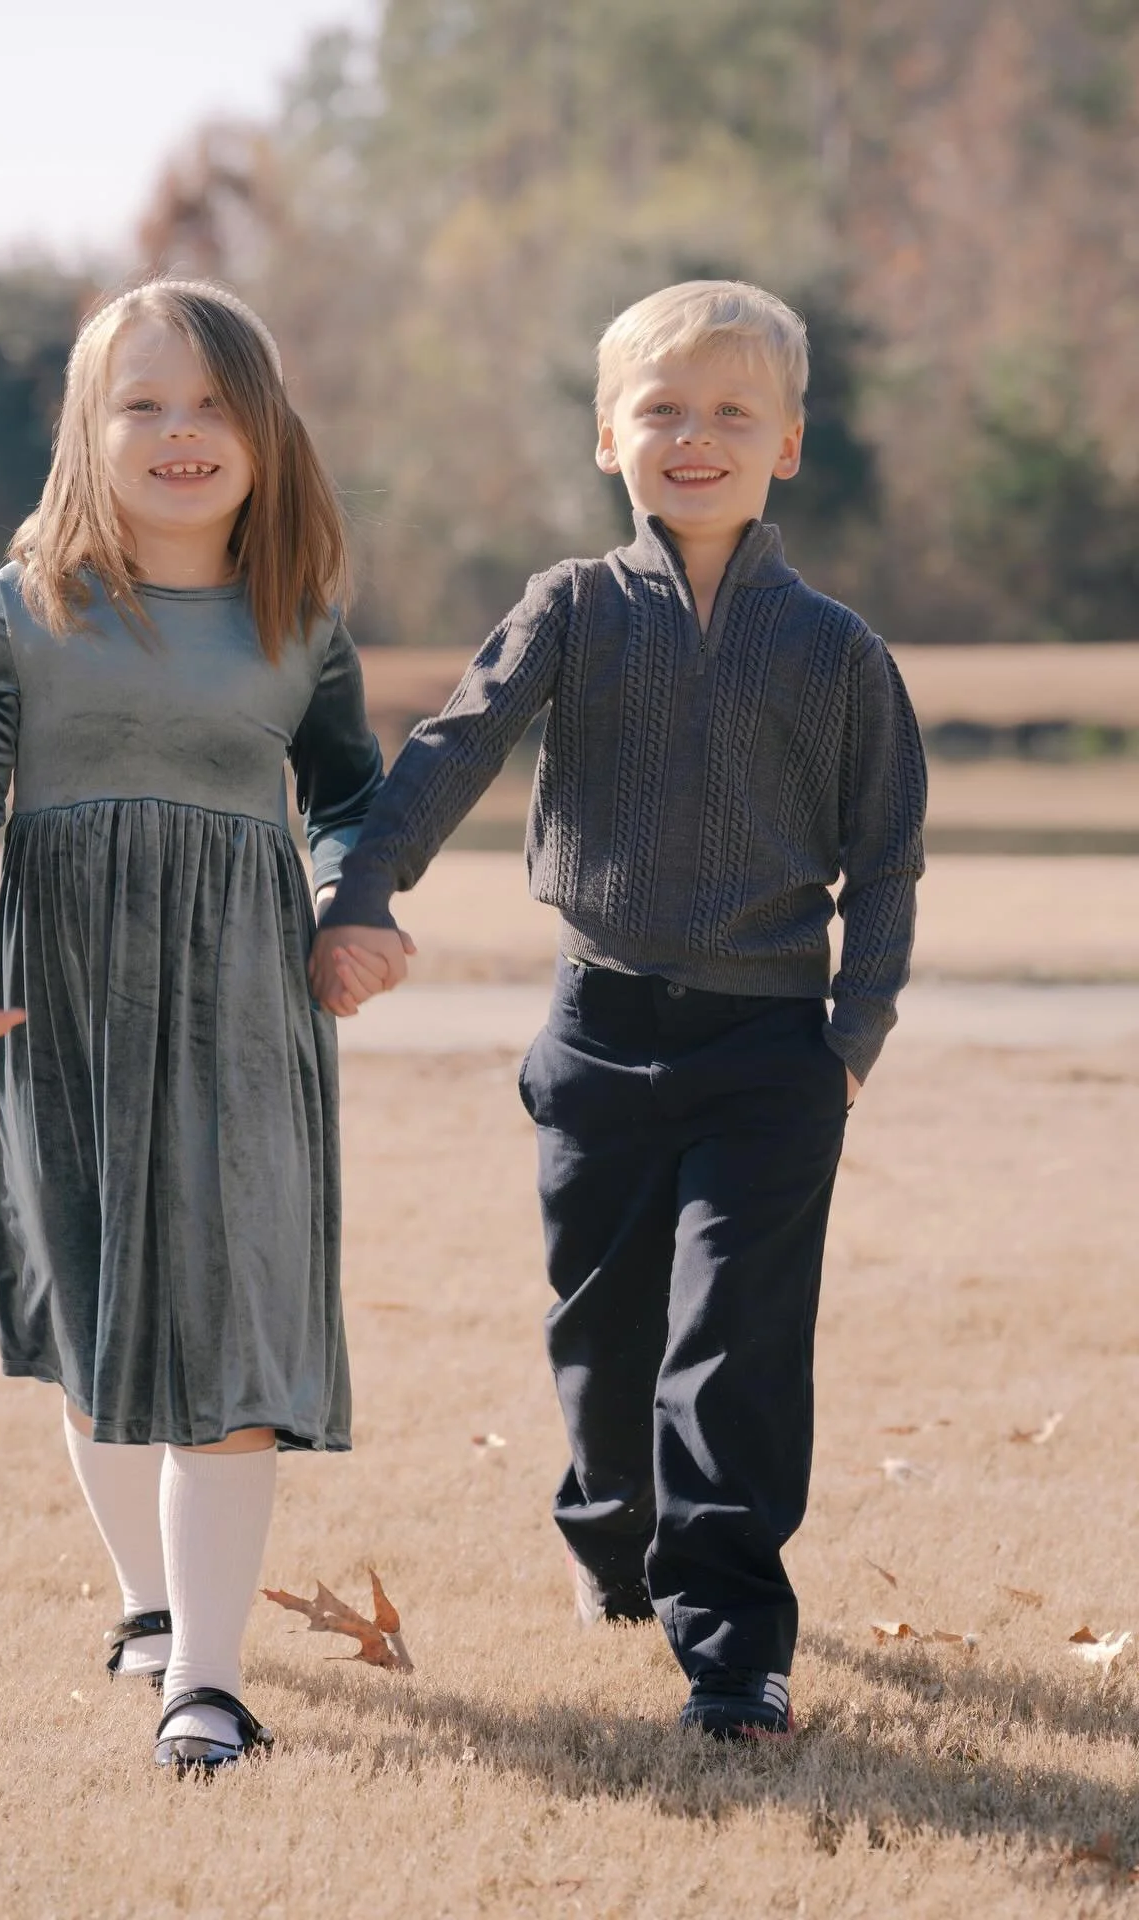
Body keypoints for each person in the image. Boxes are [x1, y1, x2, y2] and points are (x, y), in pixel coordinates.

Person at [309, 280, 927, 1740]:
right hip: (594, 1037)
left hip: (772, 1050)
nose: (693, 437)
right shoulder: (572, 610)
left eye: (731, 412)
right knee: (603, 1336)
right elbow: (453, 749)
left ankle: (733, 1653)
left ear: (787, 443)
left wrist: (851, 1042)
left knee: (734, 1348)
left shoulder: (836, 651)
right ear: (609, 437)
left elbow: (888, 855)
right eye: (662, 410)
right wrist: (362, 889)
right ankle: (612, 1546)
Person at [0, 278, 390, 1773]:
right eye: (144, 404)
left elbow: (353, 794)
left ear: (266, 429)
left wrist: (351, 907)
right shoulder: (30, 600)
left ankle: (210, 1687)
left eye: (216, 404)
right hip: (69, 1008)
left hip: (245, 1011)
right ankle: (148, 1608)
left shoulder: (299, 615)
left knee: (227, 1328)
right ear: (88, 432)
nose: (183, 432)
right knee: (100, 1321)